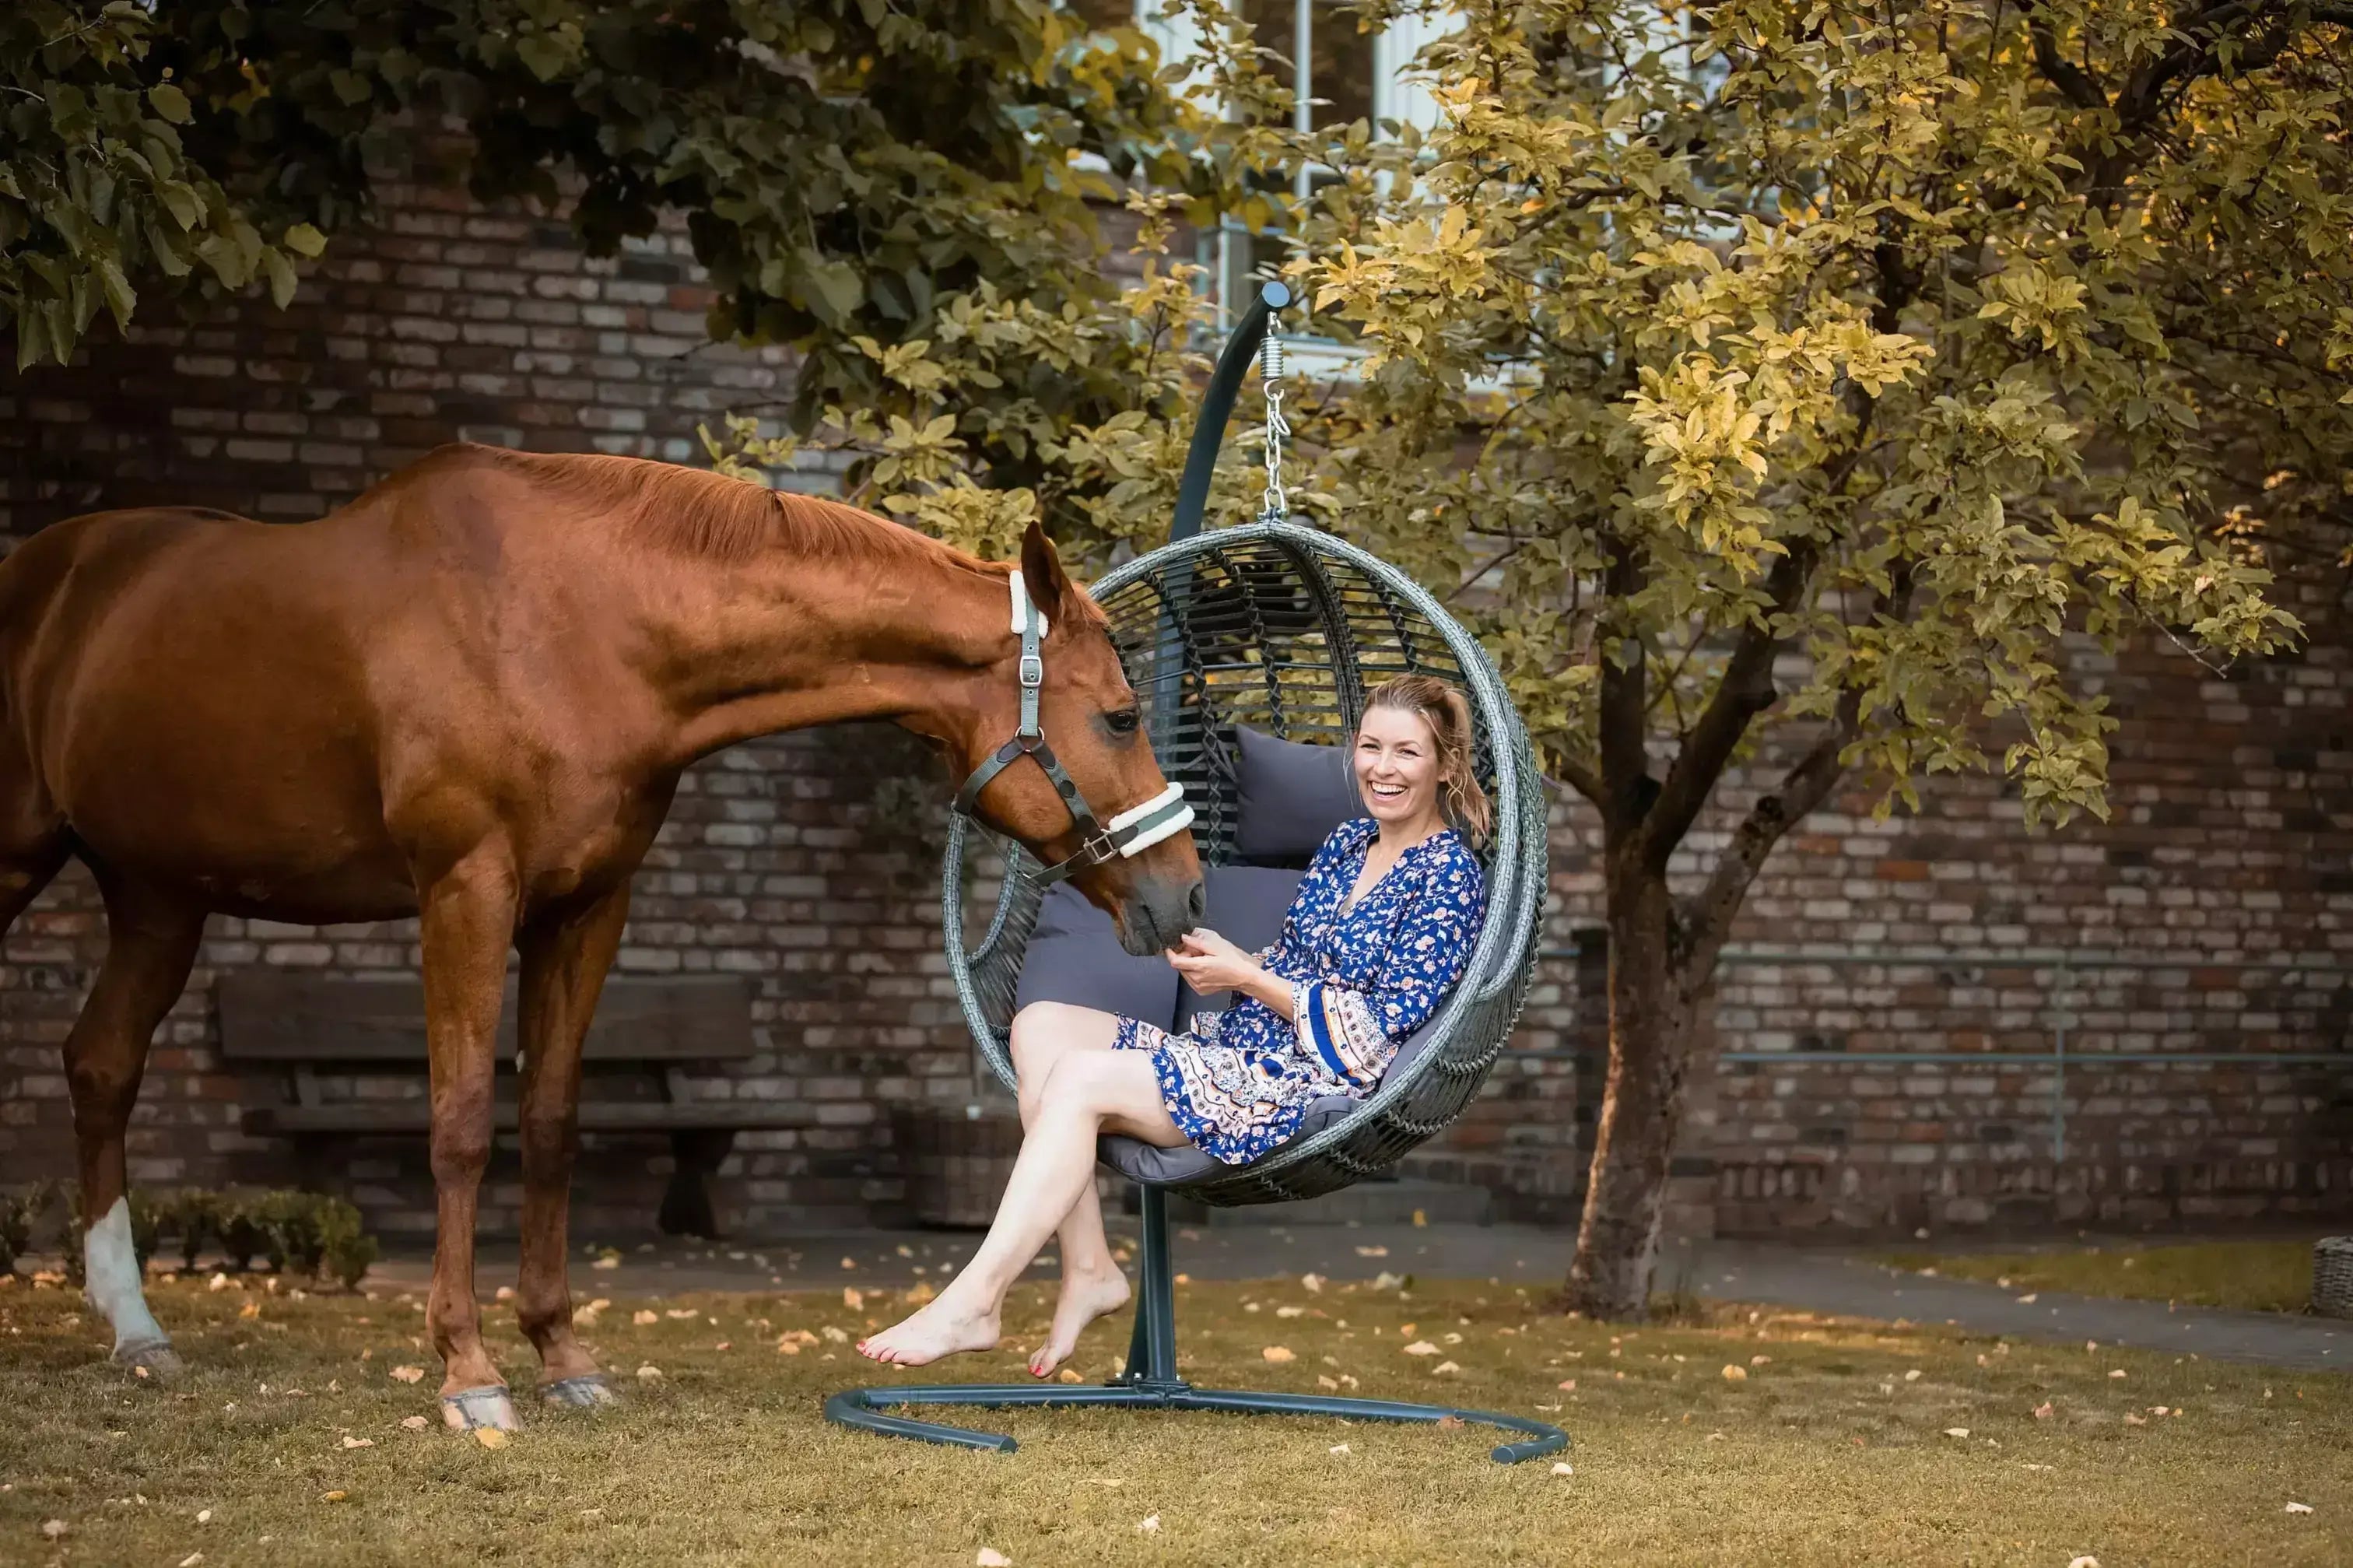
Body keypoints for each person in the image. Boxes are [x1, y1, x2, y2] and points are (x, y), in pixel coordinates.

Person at [857, 674, 1491, 1373]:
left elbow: (1373, 1040)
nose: (1382, 767)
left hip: (1300, 1083)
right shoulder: (1345, 844)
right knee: (1040, 1025)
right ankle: (1091, 1265)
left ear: (1445, 764)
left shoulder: (1449, 877)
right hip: (1239, 1049)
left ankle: (977, 1300)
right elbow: (1295, 961)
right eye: (1370, 746)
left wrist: (1248, 978)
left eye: (1406, 752)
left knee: (1079, 1081)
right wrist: (1226, 959)